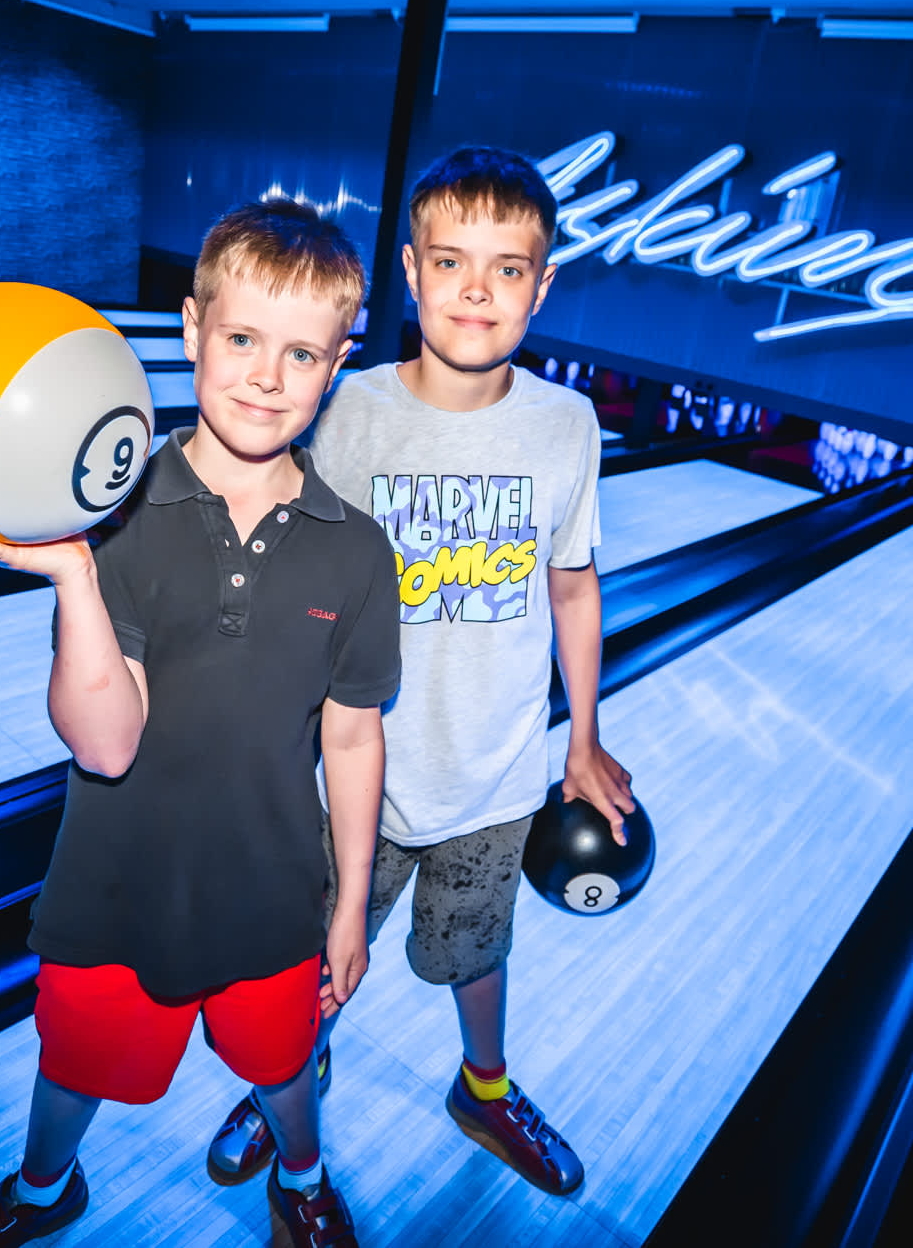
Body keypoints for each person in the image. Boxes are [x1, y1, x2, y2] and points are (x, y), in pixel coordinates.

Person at [0, 198, 400, 1248]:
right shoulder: (115, 514)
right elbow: (104, 743)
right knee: (75, 1063)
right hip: (114, 884)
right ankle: (45, 1191)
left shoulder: (358, 554)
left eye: (301, 353)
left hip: (273, 891)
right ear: (190, 329)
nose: (266, 377)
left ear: (337, 363)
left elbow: (354, 736)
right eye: (240, 340)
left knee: (281, 1064)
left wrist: (348, 906)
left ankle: (304, 1177)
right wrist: (72, 575)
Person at [206, 146, 635, 1198]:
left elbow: (571, 588)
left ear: (543, 284)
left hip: (489, 778)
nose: (475, 289)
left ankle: (481, 1090)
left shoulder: (563, 426)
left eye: (506, 267)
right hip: (345, 775)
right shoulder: (347, 411)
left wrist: (578, 738)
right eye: (450, 262)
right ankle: (287, 1073)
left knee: (476, 952)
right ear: (410, 271)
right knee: (310, 961)